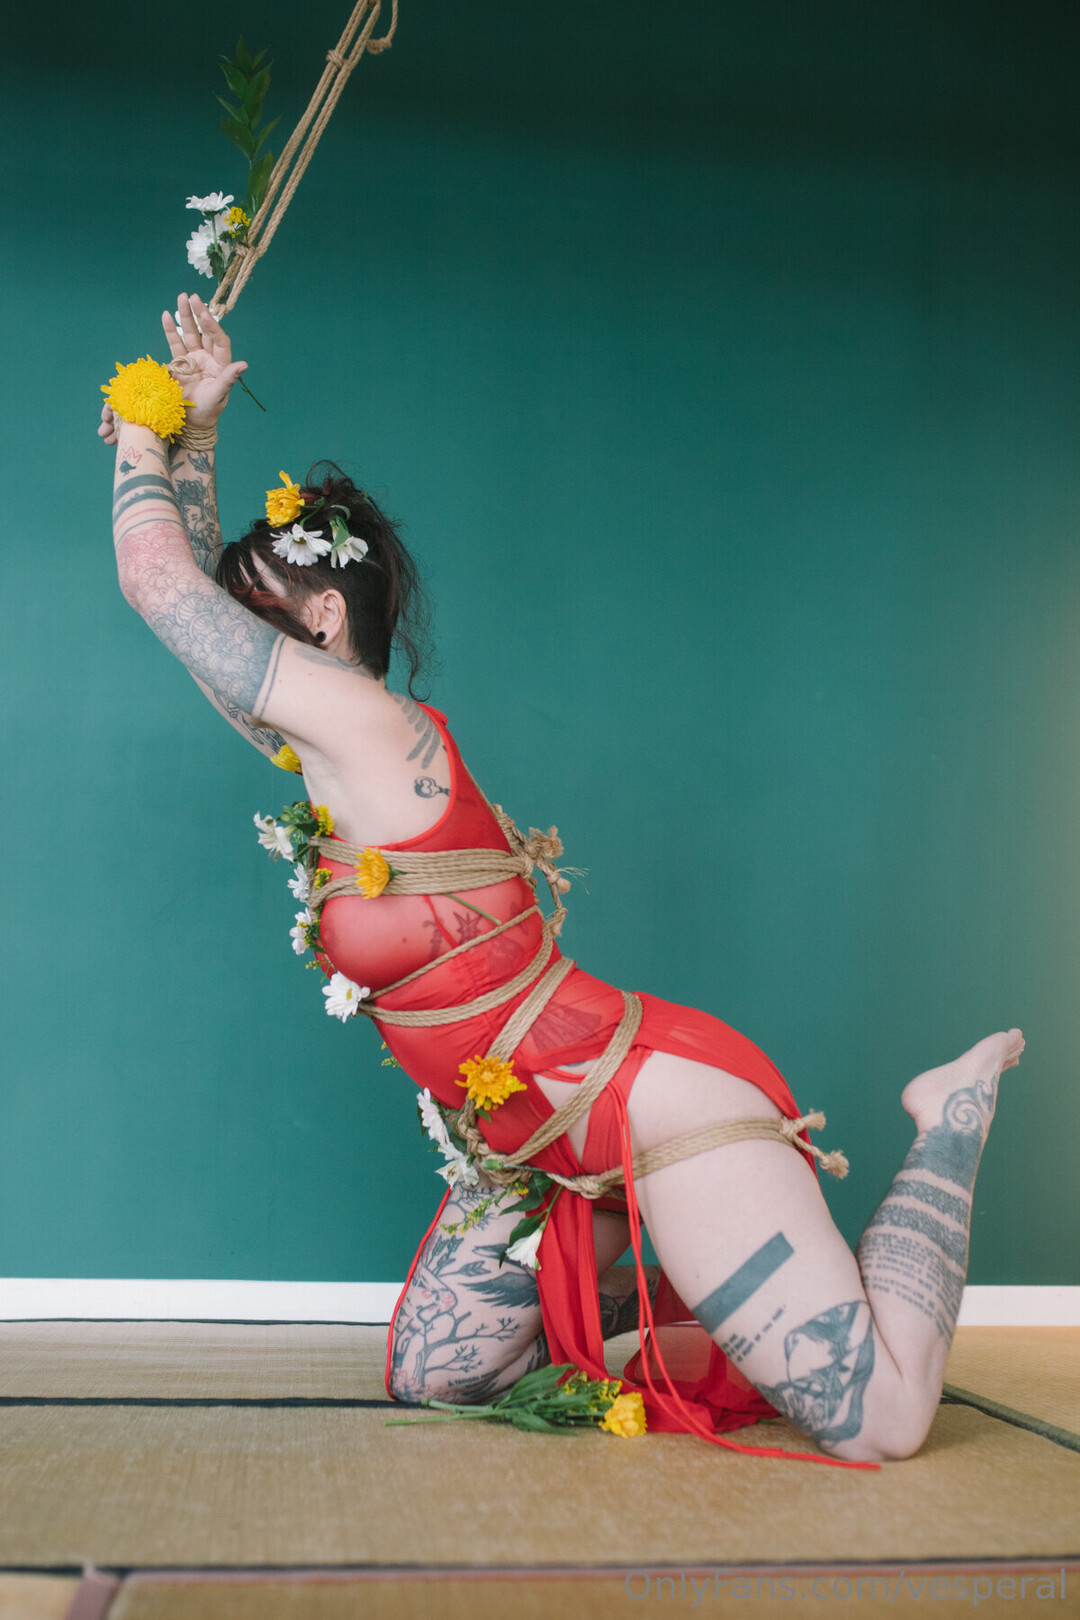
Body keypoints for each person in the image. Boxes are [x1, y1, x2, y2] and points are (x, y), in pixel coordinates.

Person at [100, 291, 1024, 1467]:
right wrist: (194, 435)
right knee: (437, 1377)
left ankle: (948, 1118)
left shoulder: (370, 726)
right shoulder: (330, 755)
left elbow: (161, 587)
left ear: (324, 616)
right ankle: (668, 1281)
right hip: (527, 1141)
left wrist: (142, 421)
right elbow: (189, 622)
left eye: (255, 619)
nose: (234, 646)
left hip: (639, 1105)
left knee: (880, 1423)